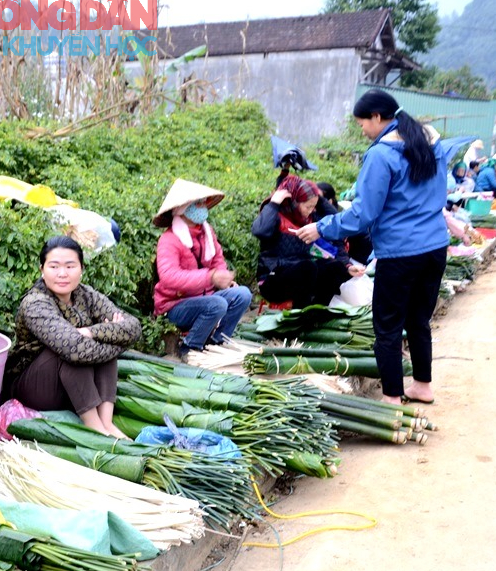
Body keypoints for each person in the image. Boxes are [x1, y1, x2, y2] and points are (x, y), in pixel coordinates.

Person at [295, 90, 449, 406]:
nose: (362, 130)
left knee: (388, 327)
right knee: (418, 320)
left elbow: (363, 214)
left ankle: (392, 397)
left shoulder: (381, 155)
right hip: (435, 247)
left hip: (401, 252)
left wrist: (320, 227)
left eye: (362, 123)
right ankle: (422, 386)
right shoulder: (429, 145)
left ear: (377, 117)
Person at [7, 236, 141, 438]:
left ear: (81, 269)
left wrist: (93, 332)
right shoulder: (36, 303)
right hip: (35, 386)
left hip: (70, 386)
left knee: (95, 346)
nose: (62, 274)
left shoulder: (86, 295)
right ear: (42, 270)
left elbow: (133, 326)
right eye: (54, 267)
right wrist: (113, 336)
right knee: (72, 352)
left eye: (70, 266)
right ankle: (95, 428)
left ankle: (106, 423)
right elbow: (74, 349)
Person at [153, 179, 252, 355]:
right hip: (175, 305)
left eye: (203, 202)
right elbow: (169, 277)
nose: (203, 206)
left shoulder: (206, 232)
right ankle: (190, 347)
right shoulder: (169, 240)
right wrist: (210, 277)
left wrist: (225, 281)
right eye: (198, 203)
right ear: (183, 208)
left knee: (242, 294)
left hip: (205, 297)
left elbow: (217, 261)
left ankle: (218, 342)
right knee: (217, 304)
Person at [252, 175, 366, 309]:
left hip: (303, 275)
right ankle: (300, 317)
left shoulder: (311, 219)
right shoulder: (277, 216)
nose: (311, 210)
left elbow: (335, 225)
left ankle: (316, 312)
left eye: (314, 206)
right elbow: (260, 230)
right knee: (307, 268)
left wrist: (347, 266)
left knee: (335, 268)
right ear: (294, 201)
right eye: (308, 206)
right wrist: (274, 202)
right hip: (273, 278)